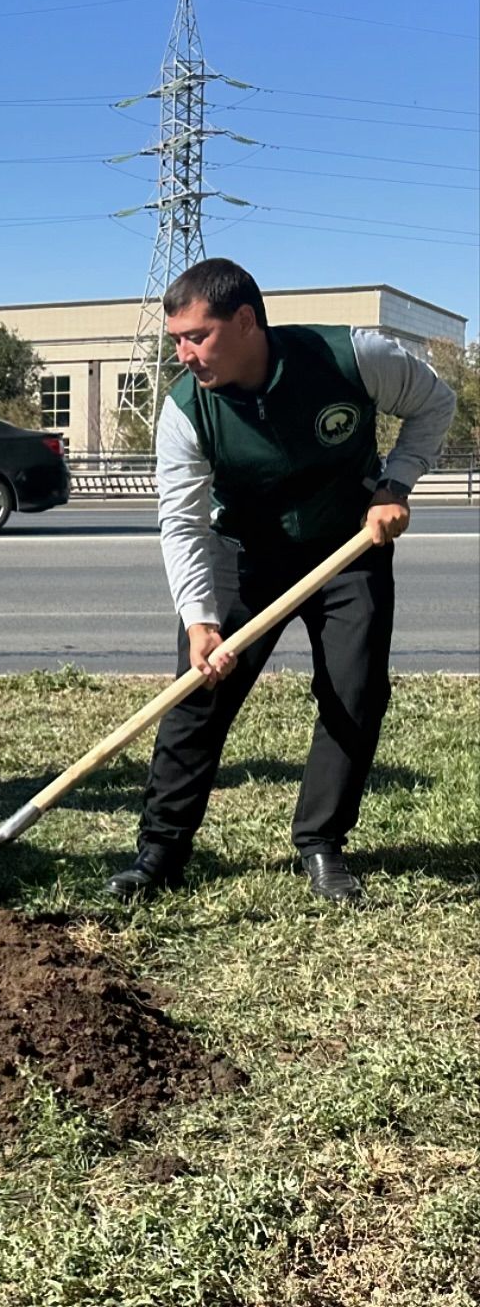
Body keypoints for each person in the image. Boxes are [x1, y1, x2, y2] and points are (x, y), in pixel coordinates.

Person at [106, 258, 456, 904]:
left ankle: (322, 844)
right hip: (244, 556)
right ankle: (160, 852)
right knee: (198, 695)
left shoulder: (353, 357)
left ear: (245, 321)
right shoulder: (186, 411)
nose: (184, 354)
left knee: (354, 693)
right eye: (176, 339)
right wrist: (200, 620)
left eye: (197, 336)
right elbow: (182, 522)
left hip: (348, 549)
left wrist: (395, 484)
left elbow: (435, 403)